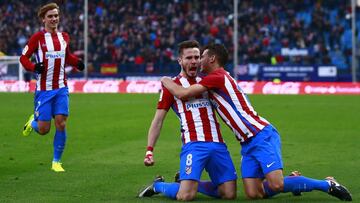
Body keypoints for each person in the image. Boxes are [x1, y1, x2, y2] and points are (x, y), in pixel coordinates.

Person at [161, 43, 352, 201]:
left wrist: (165, 80)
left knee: (276, 184)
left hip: (260, 135)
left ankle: (327, 184)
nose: (198, 60)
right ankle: (294, 182)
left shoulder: (218, 77)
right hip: (246, 142)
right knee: (254, 193)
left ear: (211, 59)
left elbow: (183, 93)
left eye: (201, 56)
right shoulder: (211, 80)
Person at [138, 40, 237, 201]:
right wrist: (150, 150)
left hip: (217, 143)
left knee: (229, 194)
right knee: (185, 196)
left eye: (197, 57)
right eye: (189, 58)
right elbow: (158, 120)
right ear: (180, 61)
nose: (193, 61)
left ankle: (188, 182)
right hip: (194, 144)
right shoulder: (172, 86)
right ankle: (158, 186)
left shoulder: (208, 79)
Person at [20, 3, 85, 172]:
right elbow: (23, 58)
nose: (54, 18)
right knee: (43, 129)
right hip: (44, 89)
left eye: (56, 15)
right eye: (50, 16)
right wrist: (34, 67)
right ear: (43, 19)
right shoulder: (37, 38)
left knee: (61, 124)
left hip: (61, 87)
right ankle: (32, 122)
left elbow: (67, 56)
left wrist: (77, 62)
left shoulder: (64, 36)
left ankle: (56, 162)